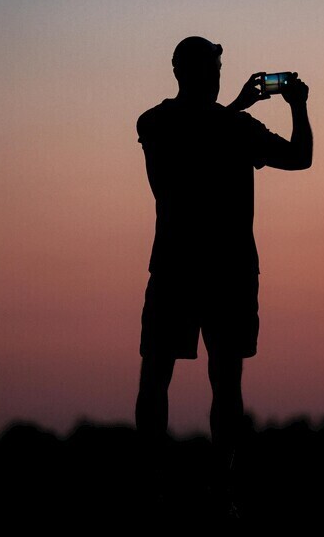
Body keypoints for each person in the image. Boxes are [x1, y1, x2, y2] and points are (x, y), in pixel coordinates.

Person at [134, 36, 312, 516]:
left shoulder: (179, 122)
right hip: (204, 268)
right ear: (185, 73)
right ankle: (190, 488)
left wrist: (262, 108)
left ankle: (193, 488)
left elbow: (293, 157)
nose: (215, 77)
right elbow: (297, 155)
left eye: (217, 70)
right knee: (180, 377)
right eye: (209, 69)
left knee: (197, 377)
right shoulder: (199, 124)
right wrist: (278, 107)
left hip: (199, 267)